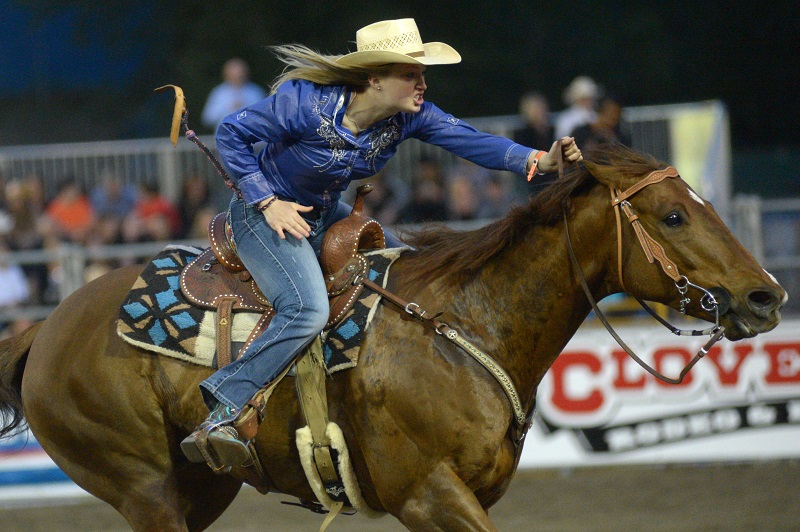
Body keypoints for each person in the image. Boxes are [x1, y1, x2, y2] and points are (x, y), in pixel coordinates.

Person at [180, 18, 583, 469]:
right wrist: (267, 200)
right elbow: (232, 132)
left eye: (422, 74)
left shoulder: (408, 118)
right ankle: (227, 407)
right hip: (262, 215)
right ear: (374, 78)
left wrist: (537, 158)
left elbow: (469, 140)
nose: (422, 83)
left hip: (320, 212)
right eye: (411, 74)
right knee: (307, 308)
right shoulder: (304, 104)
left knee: (407, 268)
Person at [201, 58, 268, 130]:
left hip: (252, 136)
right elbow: (207, 119)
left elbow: (265, 116)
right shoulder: (219, 93)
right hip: (225, 136)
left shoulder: (255, 92)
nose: (237, 77)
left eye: (240, 74)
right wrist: (228, 106)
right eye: (234, 74)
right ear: (226, 75)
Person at [554, 75, 600, 140]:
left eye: (590, 98)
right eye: (584, 99)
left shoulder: (596, 117)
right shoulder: (566, 119)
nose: (588, 102)